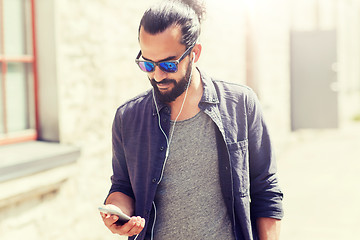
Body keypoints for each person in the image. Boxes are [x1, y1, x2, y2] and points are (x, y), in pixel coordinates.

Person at [101, 0, 284, 239]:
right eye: (147, 64)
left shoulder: (241, 104)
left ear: (194, 53)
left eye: (168, 64)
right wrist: (116, 212)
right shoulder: (128, 117)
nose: (157, 75)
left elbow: (266, 188)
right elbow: (122, 187)